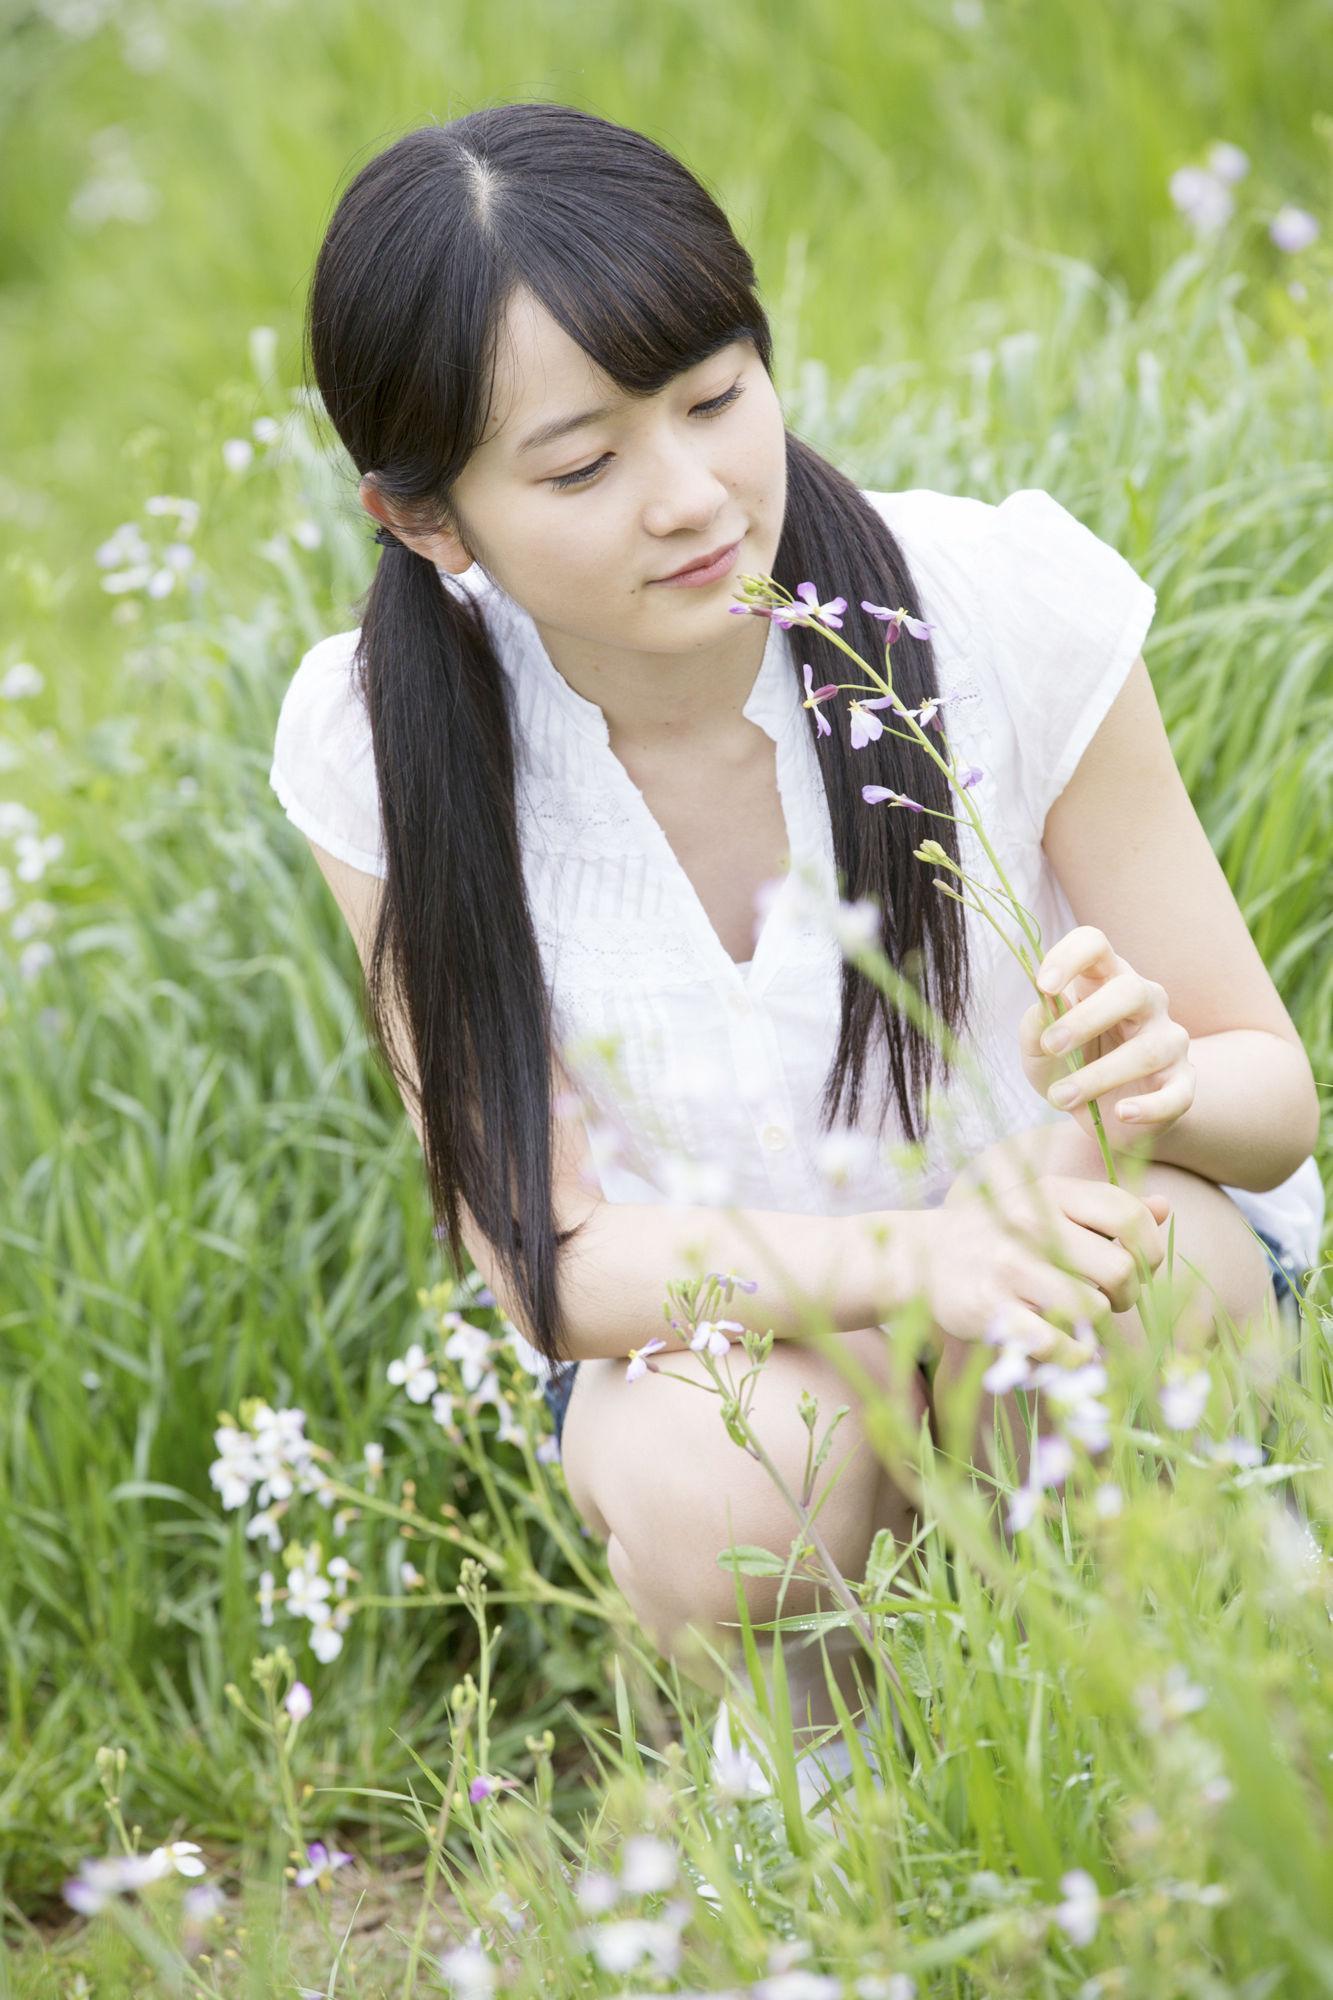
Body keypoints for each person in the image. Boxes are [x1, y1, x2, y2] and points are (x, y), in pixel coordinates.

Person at [268, 102, 1323, 1754]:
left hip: (1068, 1288)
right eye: (584, 463)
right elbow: (551, 1270)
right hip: (752, 1352)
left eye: (714, 399)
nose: (690, 496)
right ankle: (815, 1759)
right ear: (422, 519)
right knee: (720, 1462)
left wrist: (1159, 1085)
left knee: (1131, 1284)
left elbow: (1275, 1101)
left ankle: (1192, 1663)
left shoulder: (993, 605)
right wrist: (907, 1264)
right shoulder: (382, 741)